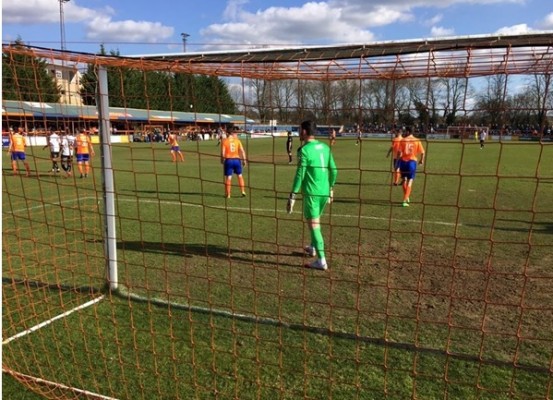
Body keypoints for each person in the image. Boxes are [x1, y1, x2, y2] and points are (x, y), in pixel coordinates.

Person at [287, 120, 338, 271]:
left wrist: (293, 195)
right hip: (324, 192)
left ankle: (321, 261)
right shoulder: (325, 147)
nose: (298, 132)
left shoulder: (303, 150)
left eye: (299, 129)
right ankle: (313, 247)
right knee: (316, 220)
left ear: (304, 132)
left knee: (314, 225)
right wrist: (331, 188)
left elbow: (300, 174)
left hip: (312, 194)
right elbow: (334, 170)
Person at [397, 127, 425, 207]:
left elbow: (399, 152)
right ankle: (405, 200)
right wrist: (421, 160)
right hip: (411, 163)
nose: (405, 132)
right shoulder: (417, 140)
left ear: (408, 131)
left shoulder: (403, 140)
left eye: (406, 131)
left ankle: (406, 196)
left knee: (404, 180)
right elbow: (423, 152)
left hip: (403, 162)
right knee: (410, 181)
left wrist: (397, 163)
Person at [221, 127, 247, 198]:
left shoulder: (224, 141)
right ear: (232, 133)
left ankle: (228, 194)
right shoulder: (237, 140)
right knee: (240, 175)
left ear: (227, 133)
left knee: (229, 177)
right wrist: (244, 160)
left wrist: (222, 161)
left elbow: (223, 153)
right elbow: (242, 151)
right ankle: (243, 191)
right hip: (237, 160)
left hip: (228, 160)